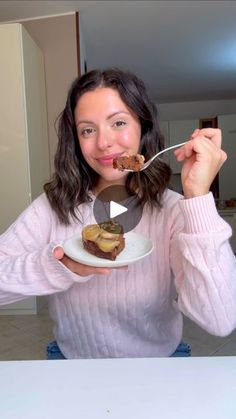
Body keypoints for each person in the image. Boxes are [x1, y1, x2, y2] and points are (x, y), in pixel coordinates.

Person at [0, 68, 236, 360]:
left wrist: (198, 196)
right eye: (87, 129)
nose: (103, 143)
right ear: (76, 141)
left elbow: (219, 319)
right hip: (73, 364)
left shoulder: (173, 209)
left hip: (159, 363)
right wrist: (58, 266)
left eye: (119, 123)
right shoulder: (53, 206)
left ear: (143, 128)